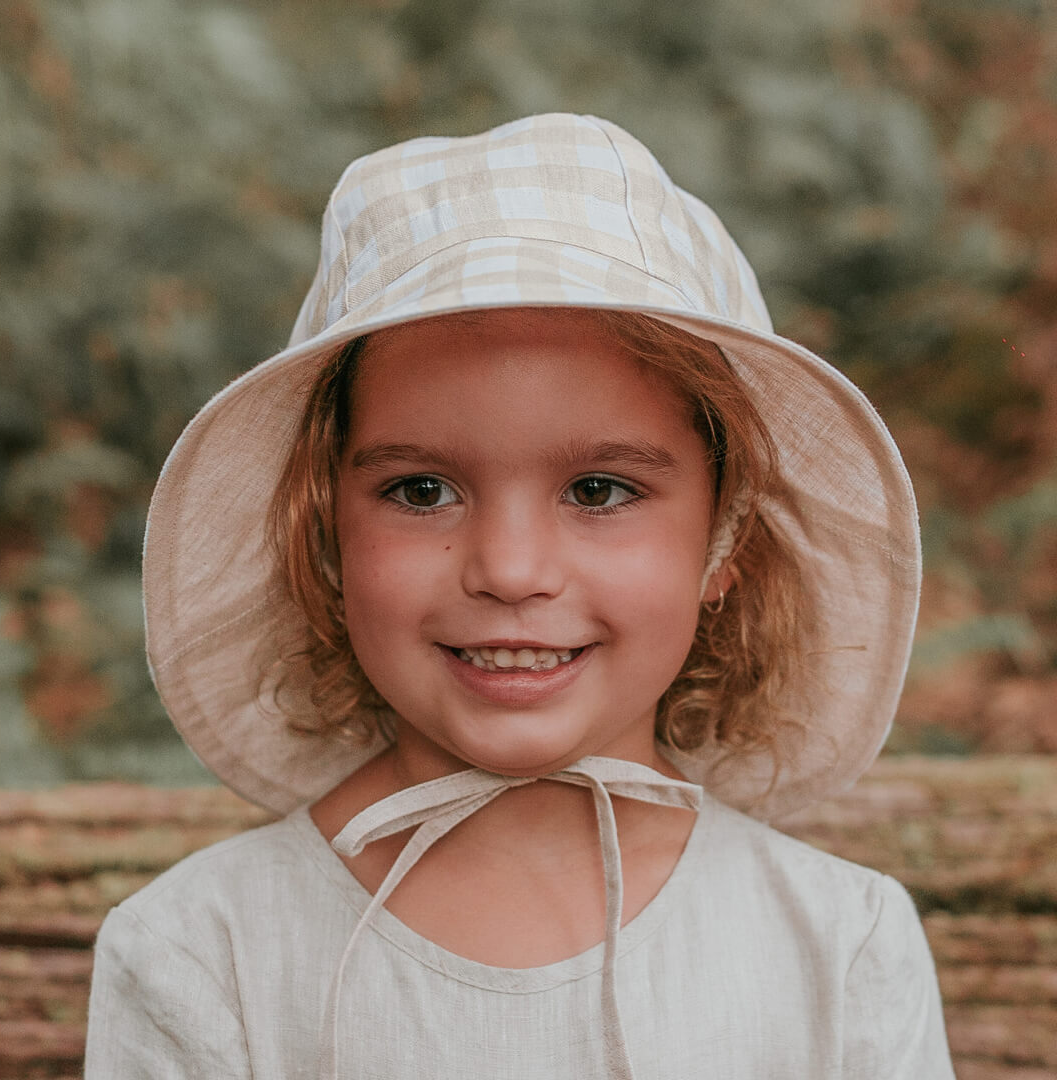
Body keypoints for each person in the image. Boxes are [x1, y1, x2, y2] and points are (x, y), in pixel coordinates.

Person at [85, 112, 956, 1078]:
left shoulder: (839, 950)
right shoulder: (204, 955)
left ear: (724, 537)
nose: (507, 569)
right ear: (324, 534)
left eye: (598, 491)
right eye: (422, 491)